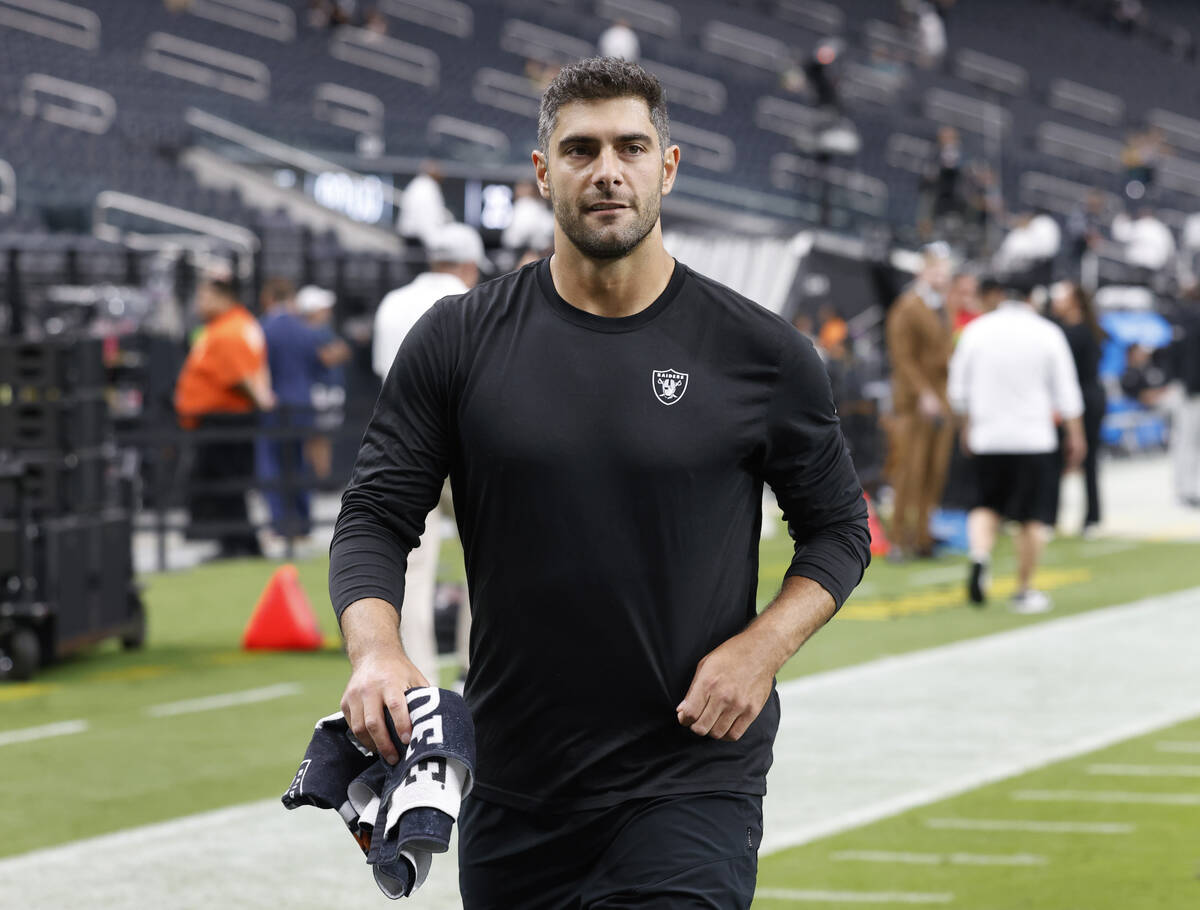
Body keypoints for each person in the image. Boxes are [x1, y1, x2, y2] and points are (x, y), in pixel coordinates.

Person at [331, 58, 870, 908]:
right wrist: (377, 650)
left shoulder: (762, 354)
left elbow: (840, 530)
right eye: (581, 150)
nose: (608, 170)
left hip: (692, 774)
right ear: (544, 173)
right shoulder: (456, 340)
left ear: (668, 166)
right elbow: (372, 516)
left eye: (631, 146)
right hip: (516, 781)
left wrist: (760, 651)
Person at [371, 222, 489, 685]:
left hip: (408, 449)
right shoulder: (479, 306)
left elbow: (387, 382)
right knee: (484, 562)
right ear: (470, 264)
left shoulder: (392, 303)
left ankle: (418, 680)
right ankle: (470, 669)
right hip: (470, 448)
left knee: (412, 571)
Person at [949, 274, 1086, 613]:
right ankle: (1024, 589)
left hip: (988, 436)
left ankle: (980, 556)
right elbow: (1066, 392)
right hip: (1032, 438)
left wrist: (967, 427)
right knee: (1031, 518)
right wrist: (1076, 434)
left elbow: (957, 391)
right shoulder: (1046, 332)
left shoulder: (977, 331)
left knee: (984, 505)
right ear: (1032, 297)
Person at [174, 273, 274, 558]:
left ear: (224, 297)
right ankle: (236, 543)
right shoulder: (232, 325)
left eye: (205, 297)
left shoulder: (230, 329)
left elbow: (240, 375)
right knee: (225, 484)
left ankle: (240, 544)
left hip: (225, 419)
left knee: (227, 484)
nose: (199, 303)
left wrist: (260, 401)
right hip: (221, 418)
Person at [256, 281, 347, 541]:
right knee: (300, 464)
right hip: (302, 404)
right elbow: (321, 366)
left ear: (268, 297)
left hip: (273, 406)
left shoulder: (263, 328)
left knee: (272, 466)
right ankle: (303, 523)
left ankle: (280, 524)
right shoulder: (306, 330)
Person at [886, 243, 955, 559]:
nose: (941, 277)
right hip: (915, 403)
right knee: (909, 470)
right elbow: (903, 358)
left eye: (944, 271)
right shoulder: (906, 307)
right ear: (923, 271)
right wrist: (923, 393)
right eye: (936, 271)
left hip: (942, 400)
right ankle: (899, 538)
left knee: (934, 471)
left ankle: (924, 535)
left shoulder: (943, 307)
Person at [1049, 281, 1107, 535]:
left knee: (1085, 457)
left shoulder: (1077, 331)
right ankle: (1061, 515)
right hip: (1083, 396)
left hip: (1083, 398)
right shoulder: (1073, 328)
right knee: (1060, 458)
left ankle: (1088, 516)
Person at [296, 285, 350, 484]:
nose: (328, 312)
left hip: (328, 391)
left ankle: (321, 479)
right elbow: (328, 357)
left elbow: (344, 351)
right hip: (317, 392)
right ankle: (317, 480)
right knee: (314, 437)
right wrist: (335, 353)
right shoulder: (308, 331)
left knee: (323, 437)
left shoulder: (324, 330)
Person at [501, 180, 556, 255]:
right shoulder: (528, 205)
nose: (520, 190)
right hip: (528, 251)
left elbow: (513, 238)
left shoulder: (526, 205)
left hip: (532, 251)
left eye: (525, 187)